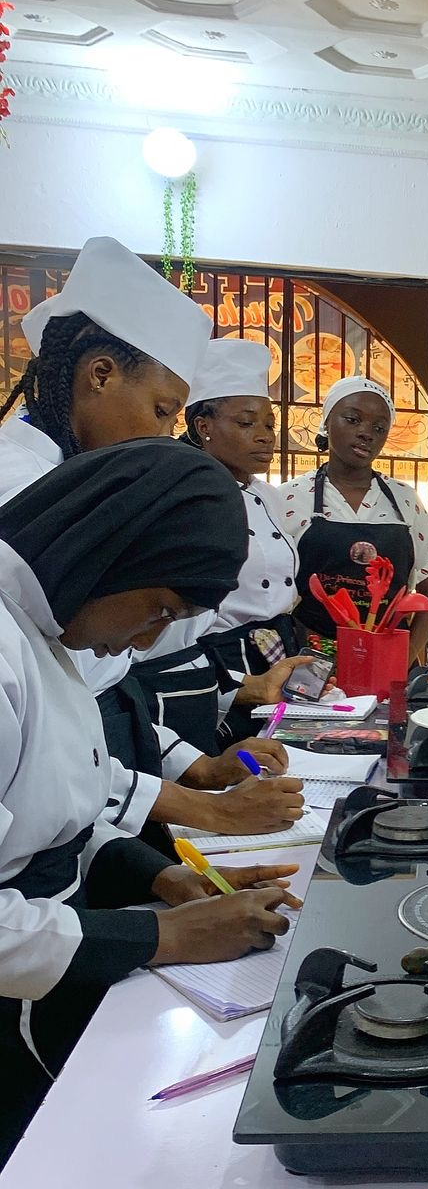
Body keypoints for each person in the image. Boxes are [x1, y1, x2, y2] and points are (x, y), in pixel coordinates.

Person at [0, 438, 302, 1160]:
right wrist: (170, 936)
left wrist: (162, 878)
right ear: (112, 552)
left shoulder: (39, 634)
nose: (148, 639)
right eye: (160, 608)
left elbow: (58, 811)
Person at [0, 238, 302, 845]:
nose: (167, 437)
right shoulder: (18, 482)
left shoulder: (81, 477)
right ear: (101, 375)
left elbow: (96, 694)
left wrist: (194, 774)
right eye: (164, 412)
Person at [133, 338, 310, 749]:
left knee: (274, 767)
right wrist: (240, 684)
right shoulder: (182, 496)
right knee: (224, 769)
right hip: (217, 666)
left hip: (274, 657)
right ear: (203, 426)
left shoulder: (267, 496)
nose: (265, 437)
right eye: (247, 423)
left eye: (269, 424)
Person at [282, 376, 428, 661]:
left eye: (379, 428)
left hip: (387, 658)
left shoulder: (404, 500)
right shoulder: (290, 499)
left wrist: (403, 659)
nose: (366, 433)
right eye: (353, 420)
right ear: (326, 423)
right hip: (309, 660)